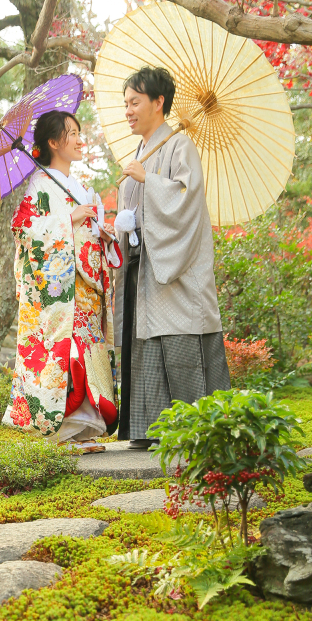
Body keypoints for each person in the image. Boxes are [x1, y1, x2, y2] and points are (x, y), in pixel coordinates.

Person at [113, 66, 230, 448]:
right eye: (125, 104)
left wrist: (148, 180)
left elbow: (187, 200)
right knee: (145, 344)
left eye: (135, 102)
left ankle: (196, 432)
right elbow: (135, 215)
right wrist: (123, 224)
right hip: (143, 269)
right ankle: (150, 430)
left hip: (174, 273)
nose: (128, 111)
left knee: (179, 344)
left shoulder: (180, 146)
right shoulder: (141, 151)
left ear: (158, 102)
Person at [3, 110, 122, 449]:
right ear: (54, 142)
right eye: (72, 134)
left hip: (85, 291)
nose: (80, 140)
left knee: (89, 356)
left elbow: (86, 238)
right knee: (65, 356)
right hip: (58, 295)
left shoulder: (79, 187)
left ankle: (83, 431)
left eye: (79, 133)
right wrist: (69, 219)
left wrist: (102, 236)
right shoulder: (40, 186)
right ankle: (57, 434)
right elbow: (24, 231)